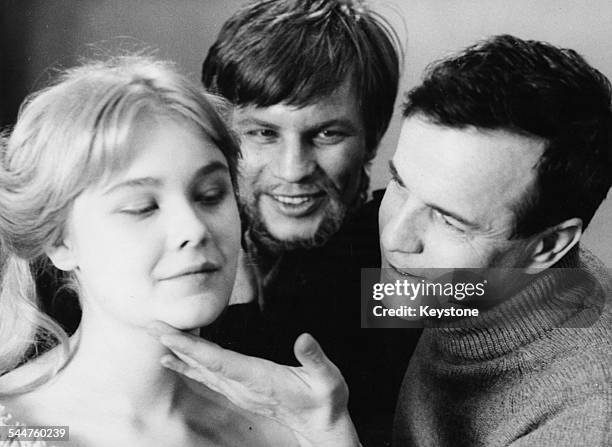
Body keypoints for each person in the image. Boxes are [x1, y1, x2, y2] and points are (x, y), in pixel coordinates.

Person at [150, 35, 612, 446]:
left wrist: (328, 432)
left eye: (449, 221)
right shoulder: (459, 285)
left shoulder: (586, 416)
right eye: (400, 183)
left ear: (549, 246)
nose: (395, 238)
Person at [0, 56, 299, 446]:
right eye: (142, 207)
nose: (193, 228)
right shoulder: (13, 428)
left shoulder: (281, 427)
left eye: (210, 196)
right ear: (59, 241)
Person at [200, 0, 420, 442]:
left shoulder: (409, 251)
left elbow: (563, 295)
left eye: (327, 133)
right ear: (222, 136)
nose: (293, 169)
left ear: (373, 139)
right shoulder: (178, 243)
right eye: (263, 133)